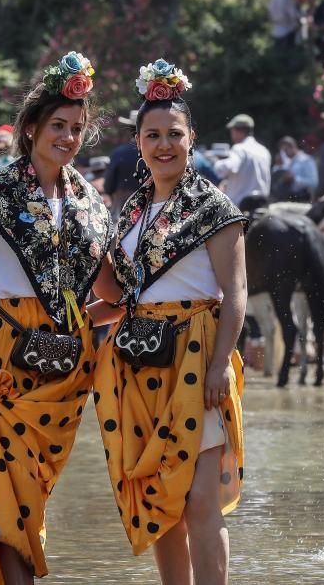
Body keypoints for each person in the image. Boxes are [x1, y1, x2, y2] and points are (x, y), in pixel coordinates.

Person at [0, 50, 113, 584]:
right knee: (8, 481)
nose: (67, 137)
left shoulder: (91, 202)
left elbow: (109, 286)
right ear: (31, 128)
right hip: (3, 352)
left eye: (77, 129)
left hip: (69, 366)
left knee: (33, 486)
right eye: (58, 126)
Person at [90, 59, 247, 585]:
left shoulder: (213, 206)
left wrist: (222, 362)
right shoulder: (133, 210)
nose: (164, 145)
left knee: (200, 501)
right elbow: (123, 294)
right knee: (160, 501)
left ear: (191, 139)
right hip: (138, 361)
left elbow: (237, 292)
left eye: (173, 135)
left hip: (198, 357)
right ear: (138, 142)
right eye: (152, 135)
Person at [212, 113, 271, 206]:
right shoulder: (264, 150)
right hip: (262, 203)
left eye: (232, 130)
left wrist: (216, 162)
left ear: (238, 131)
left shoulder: (239, 148)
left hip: (241, 207)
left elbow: (227, 167)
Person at [105, 110, 143, 217]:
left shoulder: (119, 153)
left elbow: (109, 183)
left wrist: (111, 193)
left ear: (130, 130)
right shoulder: (154, 153)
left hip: (122, 203)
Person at [275, 136, 318, 201]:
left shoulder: (306, 160)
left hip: (303, 199)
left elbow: (313, 182)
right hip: (289, 199)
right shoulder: (287, 162)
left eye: (285, 150)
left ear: (292, 147)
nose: (284, 153)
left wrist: (294, 178)